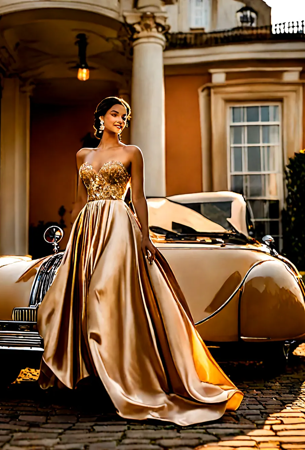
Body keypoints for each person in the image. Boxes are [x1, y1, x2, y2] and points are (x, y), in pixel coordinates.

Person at [36, 96, 243, 426]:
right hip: (88, 229)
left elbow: (139, 197)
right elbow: (78, 201)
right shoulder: (82, 156)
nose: (120, 119)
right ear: (101, 117)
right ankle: (93, 376)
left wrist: (145, 235)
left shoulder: (132, 153)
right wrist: (67, 240)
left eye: (124, 116)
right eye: (115, 114)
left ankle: (122, 379)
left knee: (103, 294)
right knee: (76, 299)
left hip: (119, 224)